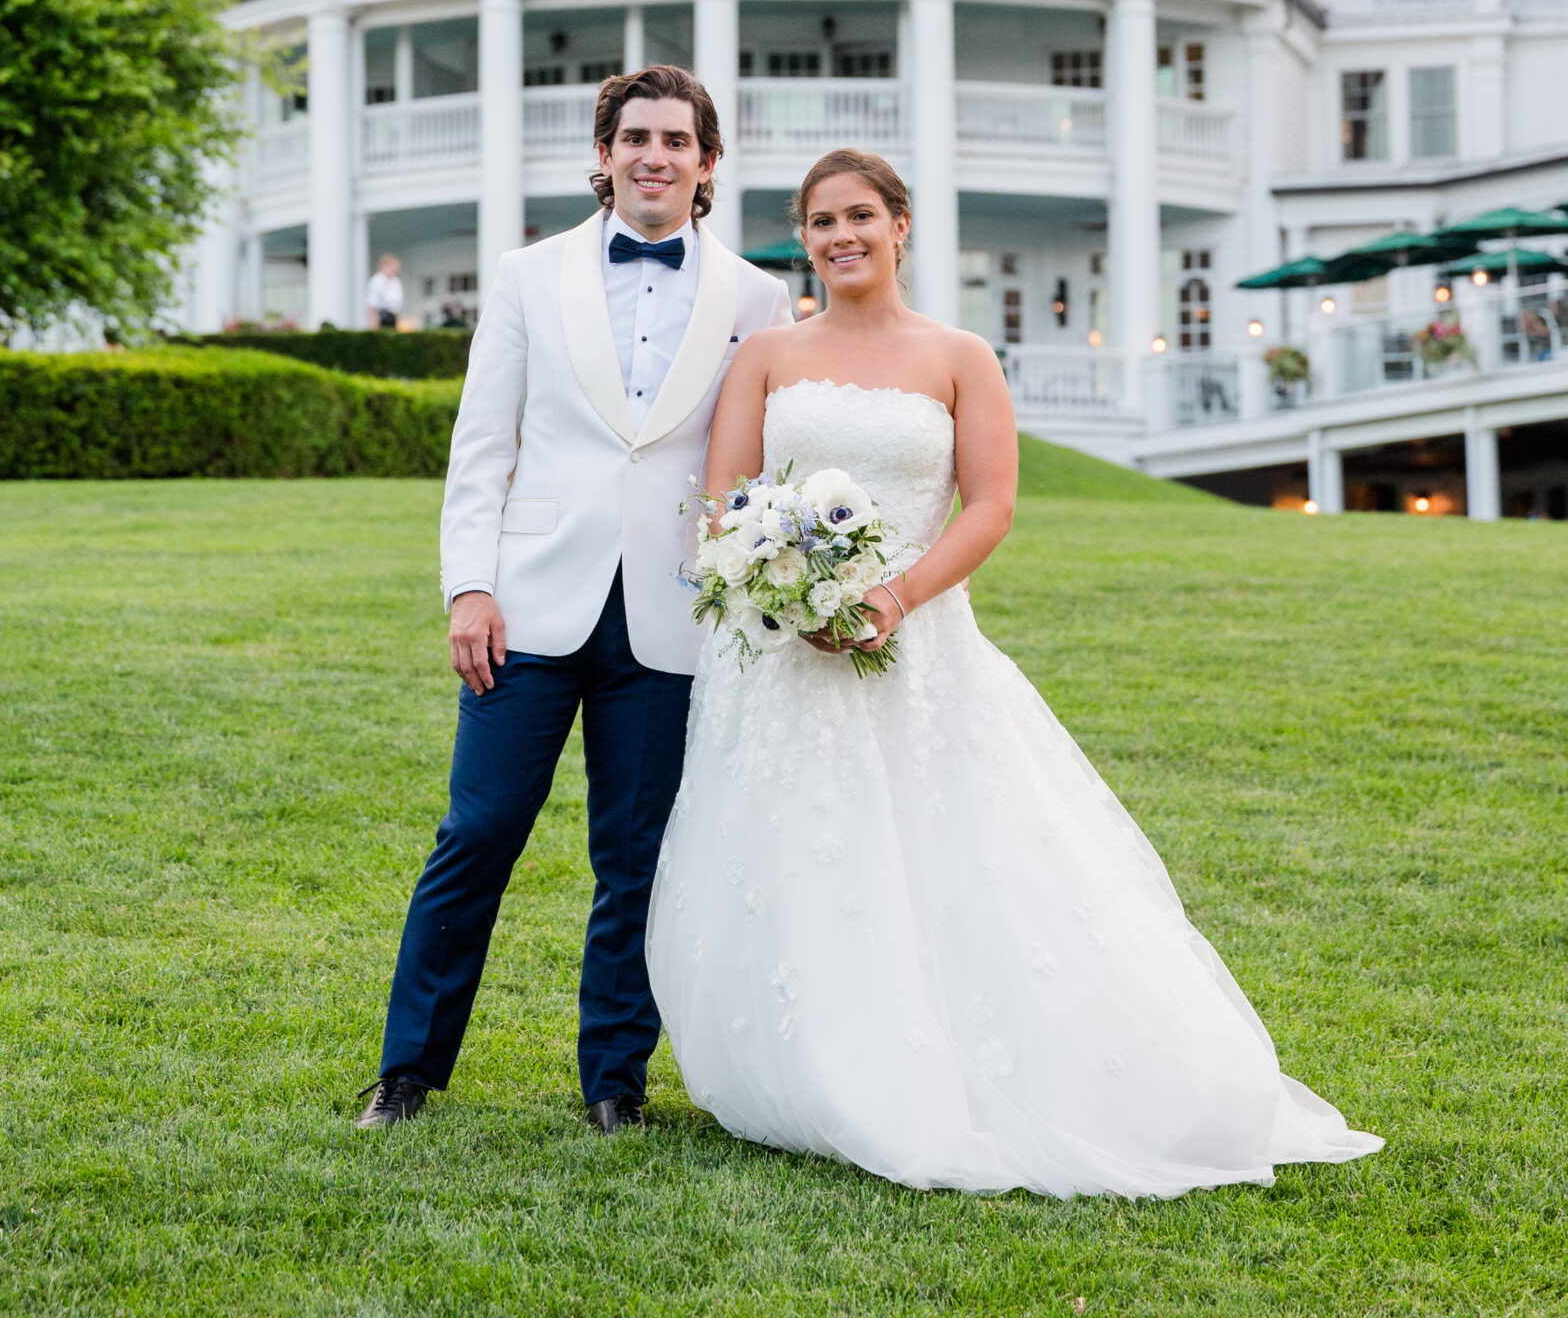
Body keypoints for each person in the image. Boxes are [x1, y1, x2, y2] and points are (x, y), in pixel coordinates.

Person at [646, 148, 1383, 1196]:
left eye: (860, 215)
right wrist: (779, 587)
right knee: (793, 848)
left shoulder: (957, 356)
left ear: (901, 225)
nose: (840, 236)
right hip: (777, 659)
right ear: (801, 237)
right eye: (819, 221)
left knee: (944, 852)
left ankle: (952, 1065)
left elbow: (988, 502)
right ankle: (808, 1066)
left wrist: (888, 597)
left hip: (914, 643)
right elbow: (723, 493)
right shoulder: (766, 354)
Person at [356, 67, 792, 1133]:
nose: (654, 155)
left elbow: (759, 463)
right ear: (603, 154)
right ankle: (407, 1071)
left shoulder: (754, 296)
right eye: (633, 136)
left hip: (671, 614)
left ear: (705, 163)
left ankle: (613, 1084)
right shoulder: (525, 275)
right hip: (526, 605)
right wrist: (468, 586)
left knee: (634, 854)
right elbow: (481, 448)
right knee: (477, 832)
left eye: (675, 140)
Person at [366, 253, 404, 331]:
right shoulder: (376, 281)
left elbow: (396, 305)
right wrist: (374, 325)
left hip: (392, 317)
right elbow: (372, 304)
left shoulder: (396, 282)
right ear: (384, 266)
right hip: (381, 317)